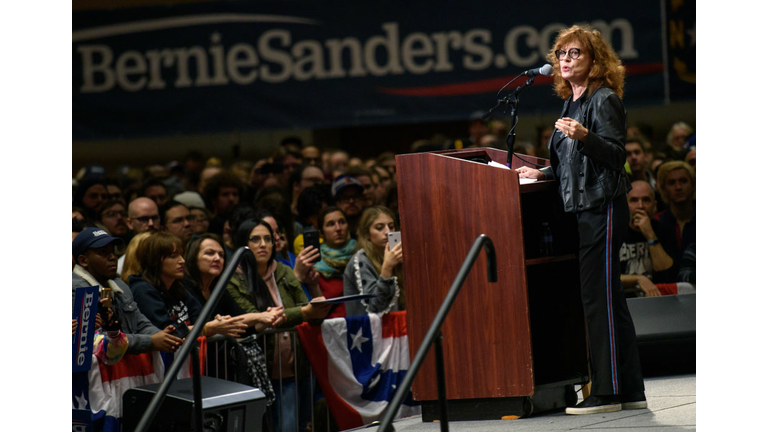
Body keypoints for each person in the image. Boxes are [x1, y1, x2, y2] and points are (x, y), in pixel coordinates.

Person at [516, 25, 645, 414]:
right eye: (562, 54)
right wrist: (543, 174)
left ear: (595, 61)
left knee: (597, 297)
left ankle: (606, 392)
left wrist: (586, 136)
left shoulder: (602, 98)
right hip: (583, 208)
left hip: (603, 206)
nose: (566, 60)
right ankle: (631, 390)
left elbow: (615, 154)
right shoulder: (571, 103)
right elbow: (570, 165)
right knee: (609, 299)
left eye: (575, 54)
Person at [226, 219, 331, 432]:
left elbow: (308, 309)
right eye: (255, 239)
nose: (263, 244)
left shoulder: (283, 270)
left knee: (302, 425)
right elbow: (257, 317)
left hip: (299, 364)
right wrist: (303, 312)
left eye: (267, 239)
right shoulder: (233, 279)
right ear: (242, 245)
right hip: (261, 370)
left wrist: (313, 302)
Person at [72, 227, 183, 355]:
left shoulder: (119, 284)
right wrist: (151, 341)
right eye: (103, 252)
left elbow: (140, 322)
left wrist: (164, 336)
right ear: (83, 260)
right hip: (96, 372)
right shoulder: (76, 291)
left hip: (128, 369)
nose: (112, 257)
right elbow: (98, 340)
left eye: (113, 251)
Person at [130, 232, 248, 342]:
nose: (182, 260)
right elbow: (168, 333)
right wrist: (209, 328)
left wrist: (216, 324)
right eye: (173, 256)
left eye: (181, 255)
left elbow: (202, 319)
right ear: (155, 260)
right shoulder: (143, 290)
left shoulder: (177, 287)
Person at [619, 181, 679, 298]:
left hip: (657, 302)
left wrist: (650, 235)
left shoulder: (664, 231)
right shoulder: (613, 233)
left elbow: (668, 276)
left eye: (646, 200)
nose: (640, 206)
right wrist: (637, 279)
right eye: (634, 200)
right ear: (625, 205)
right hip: (622, 302)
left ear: (655, 205)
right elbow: (603, 276)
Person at [343, 206, 404, 316]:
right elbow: (376, 308)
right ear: (367, 234)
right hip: (366, 330)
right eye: (379, 228)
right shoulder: (360, 261)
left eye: (391, 226)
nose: (387, 232)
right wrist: (387, 269)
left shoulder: (397, 256)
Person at [308, 206, 357, 318]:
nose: (338, 228)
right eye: (331, 224)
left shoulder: (361, 254)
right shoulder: (314, 262)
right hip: (331, 327)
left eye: (342, 222)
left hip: (363, 322)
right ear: (321, 233)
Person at [654, 161, 695, 261]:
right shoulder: (657, 222)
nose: (678, 187)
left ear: (693, 185)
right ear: (664, 189)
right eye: (672, 183)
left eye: (683, 181)